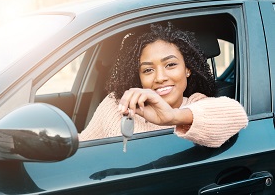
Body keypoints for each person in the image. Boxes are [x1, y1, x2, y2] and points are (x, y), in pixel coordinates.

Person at [79, 22, 248, 148]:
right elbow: (81, 146)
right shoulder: (117, 105)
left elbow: (237, 115)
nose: (160, 77)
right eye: (147, 70)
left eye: (171, 65)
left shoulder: (196, 105)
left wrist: (173, 117)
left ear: (188, 69)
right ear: (139, 76)